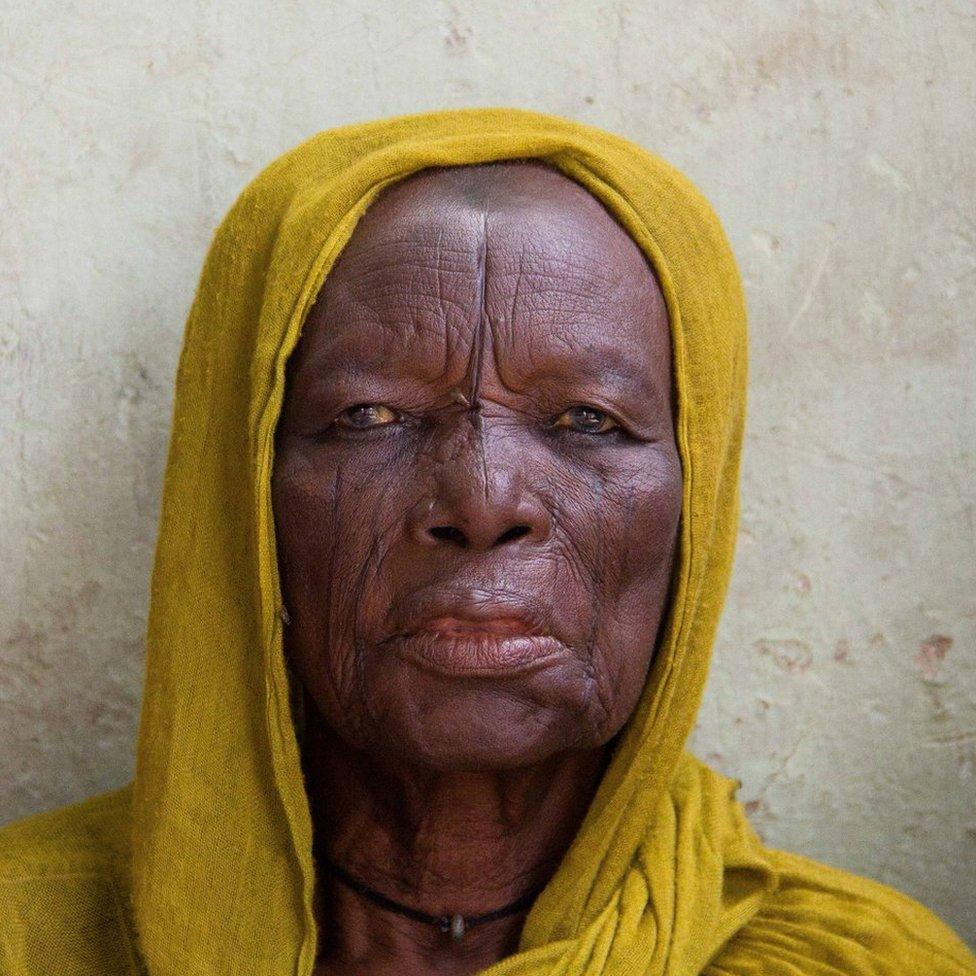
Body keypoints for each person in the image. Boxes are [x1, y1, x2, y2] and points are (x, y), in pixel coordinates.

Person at [0, 108, 972, 976]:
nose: (481, 498)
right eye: (371, 414)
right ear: (243, 494)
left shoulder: (859, 962)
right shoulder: (27, 937)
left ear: (697, 502)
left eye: (587, 421)